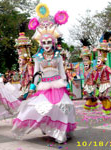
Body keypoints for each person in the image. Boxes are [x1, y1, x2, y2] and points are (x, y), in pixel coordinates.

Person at [12, 3, 76, 143]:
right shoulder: (38, 58)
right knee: (41, 107)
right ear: (41, 43)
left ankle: (61, 131)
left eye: (49, 42)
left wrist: (67, 85)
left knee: (64, 107)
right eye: (44, 42)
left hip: (58, 86)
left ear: (52, 42)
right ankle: (48, 127)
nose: (46, 45)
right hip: (44, 87)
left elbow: (62, 72)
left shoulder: (58, 56)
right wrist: (33, 87)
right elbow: (36, 74)